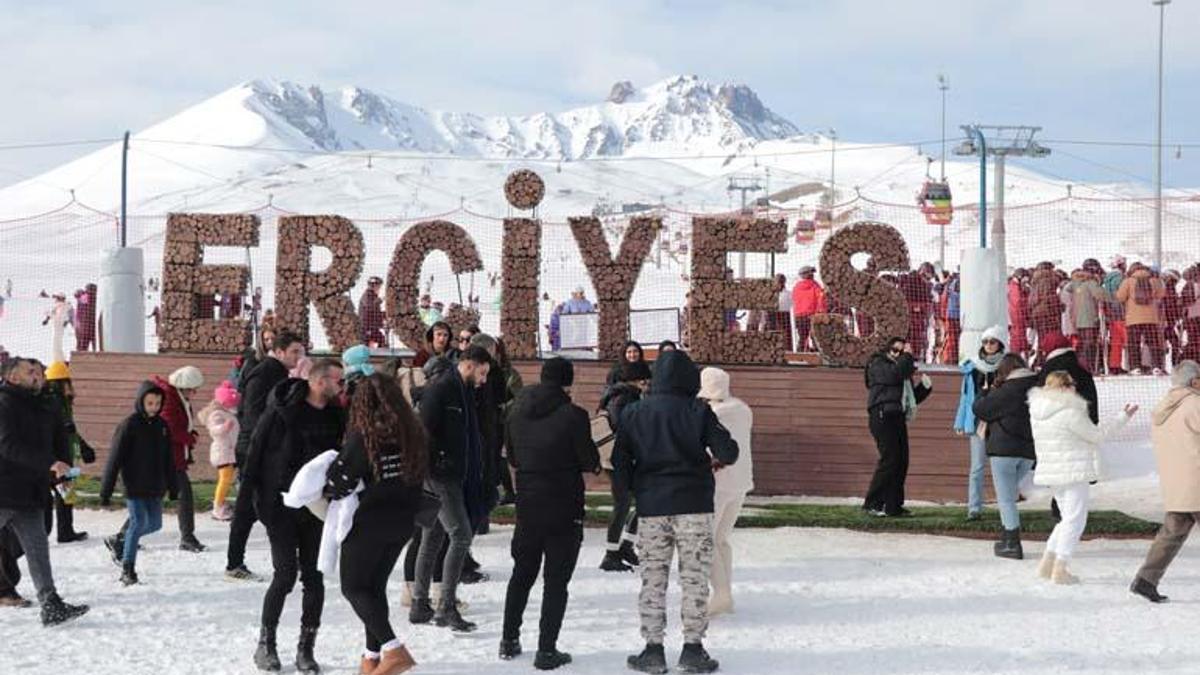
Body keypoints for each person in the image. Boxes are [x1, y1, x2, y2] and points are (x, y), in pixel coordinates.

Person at [613, 350, 739, 674]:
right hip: (694, 504)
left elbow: (620, 462)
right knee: (694, 578)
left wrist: (634, 490)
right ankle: (693, 649)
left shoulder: (633, 412)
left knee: (653, 579)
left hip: (652, 505)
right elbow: (728, 452)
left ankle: (653, 650)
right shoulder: (699, 410)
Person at [244, 358, 346, 674]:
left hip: (317, 507)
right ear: (319, 381)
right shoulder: (281, 411)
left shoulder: (336, 415)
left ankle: (306, 648)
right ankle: (266, 644)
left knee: (314, 577)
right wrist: (251, 502)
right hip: (280, 505)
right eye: (338, 380)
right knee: (285, 575)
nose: (342, 386)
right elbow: (255, 453)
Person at [500, 358, 600, 670]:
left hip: (529, 501)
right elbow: (588, 460)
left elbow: (512, 457)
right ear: (568, 382)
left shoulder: (515, 411)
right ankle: (546, 650)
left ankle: (508, 639)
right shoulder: (574, 415)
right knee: (556, 581)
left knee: (522, 573)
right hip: (564, 503)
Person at [328, 373, 426, 674]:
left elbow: (339, 482)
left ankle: (393, 650)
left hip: (369, 523)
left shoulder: (364, 436)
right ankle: (371, 656)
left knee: (353, 588)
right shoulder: (413, 432)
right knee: (373, 587)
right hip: (403, 521)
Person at [0, 357, 89, 626]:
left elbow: (56, 443)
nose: (38, 375)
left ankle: (50, 604)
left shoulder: (44, 405)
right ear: (13, 377)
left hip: (30, 493)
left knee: (38, 550)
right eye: (30, 372)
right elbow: (7, 446)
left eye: (39, 372)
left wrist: (62, 476)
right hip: (4, 490)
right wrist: (49, 463)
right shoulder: (4, 403)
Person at [410, 346, 492, 633]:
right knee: (461, 535)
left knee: (433, 536)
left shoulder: (463, 391)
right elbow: (422, 431)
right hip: (440, 476)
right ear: (469, 365)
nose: (483, 380)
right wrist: (436, 463)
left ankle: (420, 603)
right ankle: (446, 605)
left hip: (450, 474)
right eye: (482, 373)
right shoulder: (443, 389)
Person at [1029, 371, 1137, 584]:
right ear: (1063, 387)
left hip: (1052, 472)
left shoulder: (1037, 410)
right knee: (1075, 520)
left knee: (1066, 518)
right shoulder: (1070, 412)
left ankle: (1047, 564)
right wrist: (1122, 418)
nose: (1074, 387)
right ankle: (1060, 568)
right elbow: (1097, 435)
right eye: (1071, 384)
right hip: (1073, 471)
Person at [226, 331, 306, 581]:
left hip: (265, 448)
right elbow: (252, 414)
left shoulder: (278, 372)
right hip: (255, 449)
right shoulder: (265, 373)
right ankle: (235, 563)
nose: (299, 357)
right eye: (294, 352)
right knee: (252, 507)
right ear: (279, 351)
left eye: (301, 351)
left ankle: (286, 557)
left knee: (260, 506)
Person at [1130, 360, 1200, 603]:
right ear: (1194, 381)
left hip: (1177, 483)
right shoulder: (1194, 404)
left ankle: (1146, 580)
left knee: (1172, 532)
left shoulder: (1164, 407)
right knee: (1173, 531)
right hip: (1197, 480)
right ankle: (1145, 580)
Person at [99, 381, 176, 585]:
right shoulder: (129, 425)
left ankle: (120, 540)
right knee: (137, 523)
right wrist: (106, 490)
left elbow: (168, 458)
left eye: (158, 403)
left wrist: (173, 485)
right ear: (141, 401)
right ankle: (128, 569)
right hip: (134, 484)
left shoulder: (162, 426)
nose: (154, 408)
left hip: (156, 485)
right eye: (150, 403)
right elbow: (114, 459)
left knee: (155, 524)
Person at [970, 354, 1039, 559]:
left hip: (1003, 451)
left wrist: (984, 392)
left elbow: (980, 409)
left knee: (1006, 498)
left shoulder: (1006, 390)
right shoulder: (1037, 387)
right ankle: (1006, 535)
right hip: (1028, 451)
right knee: (1009, 494)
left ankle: (1012, 543)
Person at [697, 367, 753, 617]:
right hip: (741, 482)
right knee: (721, 539)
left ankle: (721, 593)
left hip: (717, 482)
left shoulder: (712, 413)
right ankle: (726, 593)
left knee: (705, 540)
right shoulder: (743, 409)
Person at [863, 337, 933, 517]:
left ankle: (893, 506)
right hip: (882, 415)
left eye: (902, 352)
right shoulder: (877, 363)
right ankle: (872, 503)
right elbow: (893, 375)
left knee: (901, 461)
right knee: (890, 459)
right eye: (895, 350)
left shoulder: (902, 372)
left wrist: (924, 388)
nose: (899, 355)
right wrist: (908, 356)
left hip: (897, 416)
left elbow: (910, 399)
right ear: (887, 350)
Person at [597, 360, 651, 572]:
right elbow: (625, 429)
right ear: (638, 380)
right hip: (620, 460)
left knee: (638, 502)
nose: (647, 385)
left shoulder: (619, 395)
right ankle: (611, 554)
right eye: (645, 381)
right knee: (622, 504)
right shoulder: (624, 398)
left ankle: (626, 546)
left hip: (621, 459)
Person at [953, 327, 1007, 521]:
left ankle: (1006, 506)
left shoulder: (1006, 366)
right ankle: (974, 508)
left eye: (992, 342)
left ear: (999, 344)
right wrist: (960, 421)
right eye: (985, 342)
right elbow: (966, 396)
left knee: (1001, 467)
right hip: (978, 421)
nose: (988, 345)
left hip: (1000, 422)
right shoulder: (973, 367)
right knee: (977, 466)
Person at [42, 361, 96, 543]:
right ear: (60, 383)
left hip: (64, 454)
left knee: (64, 494)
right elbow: (62, 429)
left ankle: (63, 530)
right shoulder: (54, 402)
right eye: (67, 382)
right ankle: (63, 531)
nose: (70, 386)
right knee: (63, 495)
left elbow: (71, 429)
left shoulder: (62, 402)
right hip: (59, 457)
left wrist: (83, 446)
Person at [154, 365, 206, 552]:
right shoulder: (169, 399)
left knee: (154, 499)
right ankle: (187, 537)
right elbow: (171, 428)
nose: (195, 393)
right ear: (184, 387)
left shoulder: (178, 398)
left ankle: (123, 536)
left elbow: (180, 424)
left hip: (172, 457)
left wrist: (190, 434)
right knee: (181, 497)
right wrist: (189, 438)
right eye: (193, 389)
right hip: (167, 457)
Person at [199, 380, 240, 521]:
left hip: (228, 452)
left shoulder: (226, 412)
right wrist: (224, 428)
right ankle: (217, 507)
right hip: (222, 452)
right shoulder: (217, 414)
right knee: (224, 480)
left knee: (226, 479)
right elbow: (214, 429)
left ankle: (221, 505)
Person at [1116, 262, 1167, 374]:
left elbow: (1120, 297)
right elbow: (1161, 294)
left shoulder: (1128, 281)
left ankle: (1135, 367)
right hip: (1151, 318)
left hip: (1133, 318)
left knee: (1134, 343)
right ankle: (1156, 366)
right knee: (1153, 343)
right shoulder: (1153, 280)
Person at [1063, 265, 1111, 373]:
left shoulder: (1076, 283)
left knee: (1082, 343)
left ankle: (1079, 365)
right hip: (1090, 318)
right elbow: (1101, 295)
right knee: (1090, 343)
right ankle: (1087, 367)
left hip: (1078, 319)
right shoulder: (1091, 283)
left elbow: (1065, 293)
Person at [1102, 256, 1128, 374]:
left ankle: (1114, 365)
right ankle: (1130, 364)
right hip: (1121, 312)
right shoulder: (1121, 278)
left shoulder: (1107, 279)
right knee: (1125, 339)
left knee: (1115, 341)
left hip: (1110, 312)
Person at [791, 266, 826, 352]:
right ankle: (818, 355)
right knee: (816, 337)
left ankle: (800, 355)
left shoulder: (796, 287)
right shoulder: (815, 286)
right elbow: (821, 299)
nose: (813, 275)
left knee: (802, 338)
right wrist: (822, 312)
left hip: (799, 316)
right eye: (812, 273)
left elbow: (794, 299)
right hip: (812, 315)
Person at [359, 276, 387, 347]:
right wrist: (380, 300)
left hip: (371, 327)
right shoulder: (367, 295)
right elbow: (370, 307)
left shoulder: (372, 296)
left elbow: (375, 312)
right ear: (374, 286)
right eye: (379, 286)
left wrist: (385, 315)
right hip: (367, 327)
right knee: (378, 340)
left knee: (381, 339)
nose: (379, 288)